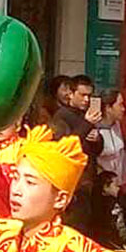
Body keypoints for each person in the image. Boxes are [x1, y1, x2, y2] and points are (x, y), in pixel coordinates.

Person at [52, 75, 103, 234]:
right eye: (82, 95)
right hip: (73, 185)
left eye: (89, 95)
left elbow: (96, 150)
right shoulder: (62, 116)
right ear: (71, 94)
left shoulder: (86, 115)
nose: (86, 100)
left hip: (88, 180)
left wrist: (97, 139)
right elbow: (65, 146)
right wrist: (86, 124)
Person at [91, 90, 126, 248]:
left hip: (117, 187)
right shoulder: (95, 130)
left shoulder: (117, 126)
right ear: (108, 108)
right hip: (102, 192)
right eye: (119, 104)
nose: (123, 108)